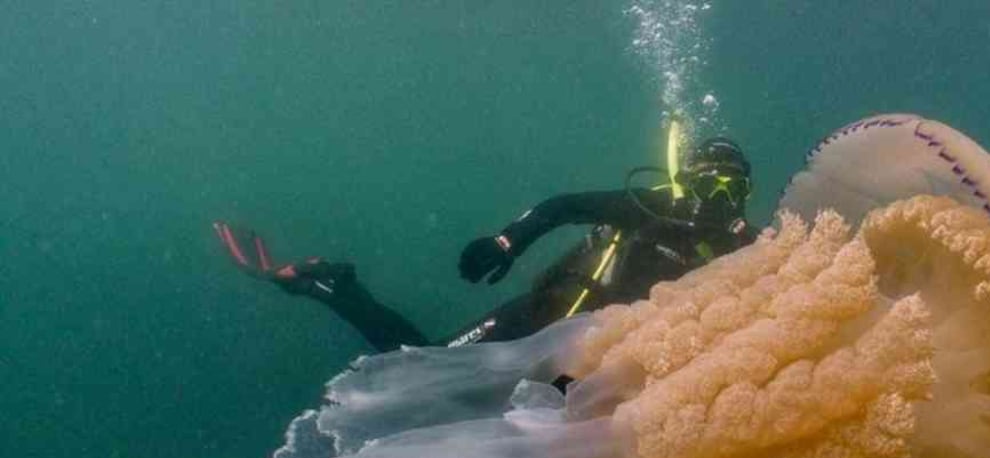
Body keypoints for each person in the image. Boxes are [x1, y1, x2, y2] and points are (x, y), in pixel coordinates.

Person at [216, 134, 757, 352]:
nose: (719, 199)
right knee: (424, 368)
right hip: (549, 315)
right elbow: (563, 206)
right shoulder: (654, 206)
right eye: (710, 183)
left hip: (602, 360)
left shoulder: (745, 247)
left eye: (734, 190)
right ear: (689, 180)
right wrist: (507, 242)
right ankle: (332, 284)